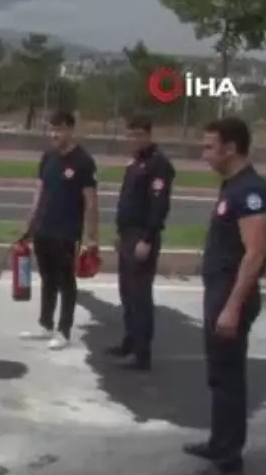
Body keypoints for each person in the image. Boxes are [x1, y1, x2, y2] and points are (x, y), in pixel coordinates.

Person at [184, 117, 266, 475]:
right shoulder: (233, 186)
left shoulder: (250, 190)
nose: (204, 154)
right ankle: (218, 443)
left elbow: (255, 253)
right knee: (219, 376)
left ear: (231, 147)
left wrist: (233, 306)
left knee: (229, 381)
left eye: (209, 146)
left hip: (232, 294)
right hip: (220, 290)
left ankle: (228, 464)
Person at [18, 111, 99, 350]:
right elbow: (39, 192)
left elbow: (91, 201)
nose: (54, 134)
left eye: (60, 129)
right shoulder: (48, 157)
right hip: (44, 228)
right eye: (51, 129)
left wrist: (90, 237)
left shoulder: (83, 161)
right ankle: (45, 324)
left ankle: (64, 330)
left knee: (66, 281)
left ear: (71, 130)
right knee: (47, 278)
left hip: (67, 232)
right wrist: (30, 224)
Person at [108, 114, 175, 371]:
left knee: (140, 295)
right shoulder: (134, 163)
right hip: (127, 233)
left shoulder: (158, 165)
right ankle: (129, 341)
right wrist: (119, 233)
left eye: (138, 134)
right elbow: (127, 200)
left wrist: (147, 238)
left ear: (148, 135)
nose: (134, 139)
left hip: (142, 235)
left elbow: (159, 206)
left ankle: (142, 354)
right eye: (130, 134)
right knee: (126, 292)